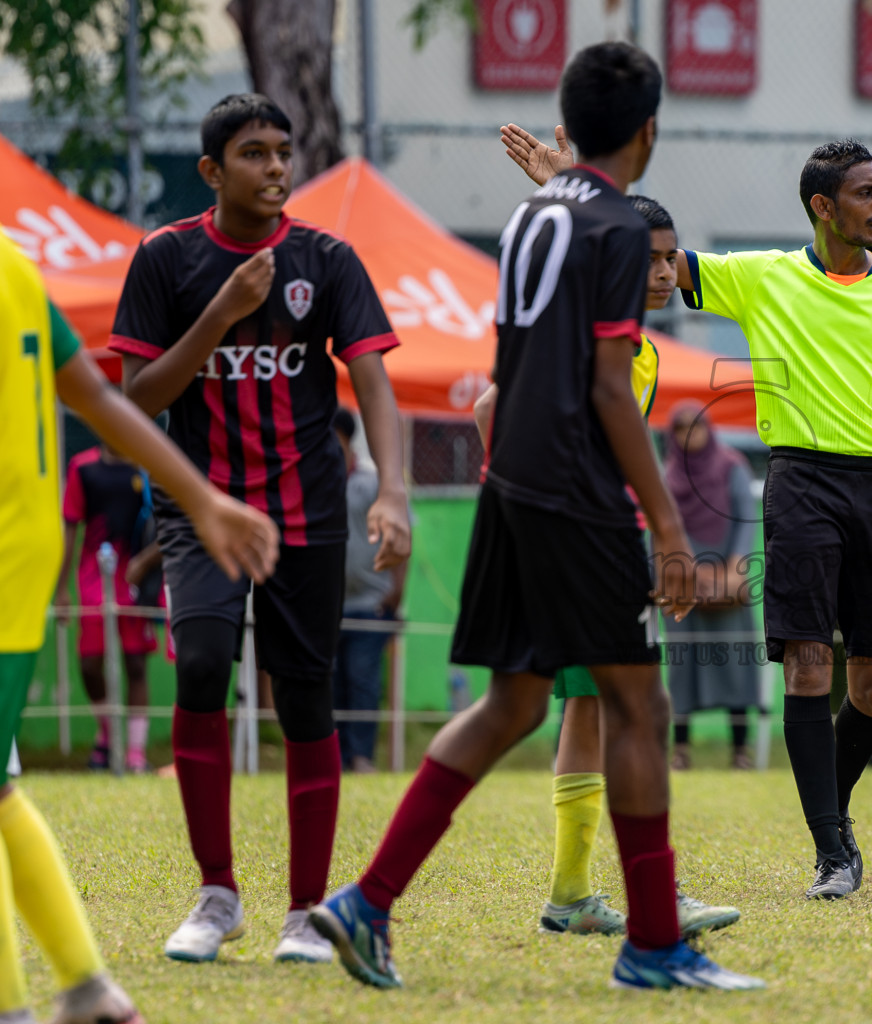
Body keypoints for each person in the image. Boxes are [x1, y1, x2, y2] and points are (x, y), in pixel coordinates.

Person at [310, 43, 762, 993]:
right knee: (641, 702)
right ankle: (651, 946)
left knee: (514, 702)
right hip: (576, 495)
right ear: (649, 130)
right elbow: (607, 387)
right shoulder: (612, 228)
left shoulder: (531, 218)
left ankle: (366, 903)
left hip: (508, 487)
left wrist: (570, 178)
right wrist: (669, 533)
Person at [500, 132, 872, 900]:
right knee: (809, 665)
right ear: (824, 206)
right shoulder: (760, 277)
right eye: (868, 194)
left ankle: (832, 817)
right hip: (802, 482)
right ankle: (830, 851)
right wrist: (576, 189)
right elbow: (647, 255)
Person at [109, 93, 412, 965]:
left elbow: (373, 386)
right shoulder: (166, 259)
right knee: (203, 667)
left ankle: (305, 913)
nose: (277, 167)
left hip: (309, 511)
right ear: (212, 171)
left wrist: (391, 490)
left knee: (306, 698)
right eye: (254, 153)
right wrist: (220, 314)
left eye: (283, 152)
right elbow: (137, 401)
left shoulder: (330, 259)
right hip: (200, 507)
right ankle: (216, 896)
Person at [0, 230, 277, 1023]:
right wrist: (202, 496)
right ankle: (88, 989)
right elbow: (97, 395)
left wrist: (200, 500)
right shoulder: (15, 266)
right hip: (25, 554)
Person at [472, 190, 739, 939]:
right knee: (630, 711)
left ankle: (572, 895)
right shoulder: (597, 339)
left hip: (584, 539)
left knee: (584, 710)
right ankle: (652, 897)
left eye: (668, 258)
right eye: (647, 257)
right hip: (582, 542)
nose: (663, 272)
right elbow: (490, 409)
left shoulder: (639, 346)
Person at [663, 400, 761, 772]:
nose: (691, 434)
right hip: (683, 581)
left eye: (697, 425)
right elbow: (662, 526)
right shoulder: (667, 475)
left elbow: (744, 517)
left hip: (728, 582)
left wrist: (734, 566)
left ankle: (740, 751)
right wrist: (686, 571)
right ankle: (681, 750)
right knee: (683, 665)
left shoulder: (730, 465)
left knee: (735, 663)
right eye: (681, 428)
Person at [56, 444, 159, 772]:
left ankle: (135, 755)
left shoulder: (149, 464)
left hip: (136, 578)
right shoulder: (83, 467)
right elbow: (70, 526)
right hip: (93, 581)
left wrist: (145, 567)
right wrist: (61, 589)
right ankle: (108, 735)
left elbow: (169, 523)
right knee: (89, 664)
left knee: (136, 664)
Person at [331, 408, 409, 774]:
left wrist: (397, 590)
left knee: (362, 680)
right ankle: (334, 756)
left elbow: (399, 533)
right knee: (331, 683)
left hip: (370, 603)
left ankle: (361, 756)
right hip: (329, 603)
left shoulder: (371, 483)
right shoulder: (316, 482)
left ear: (347, 440)